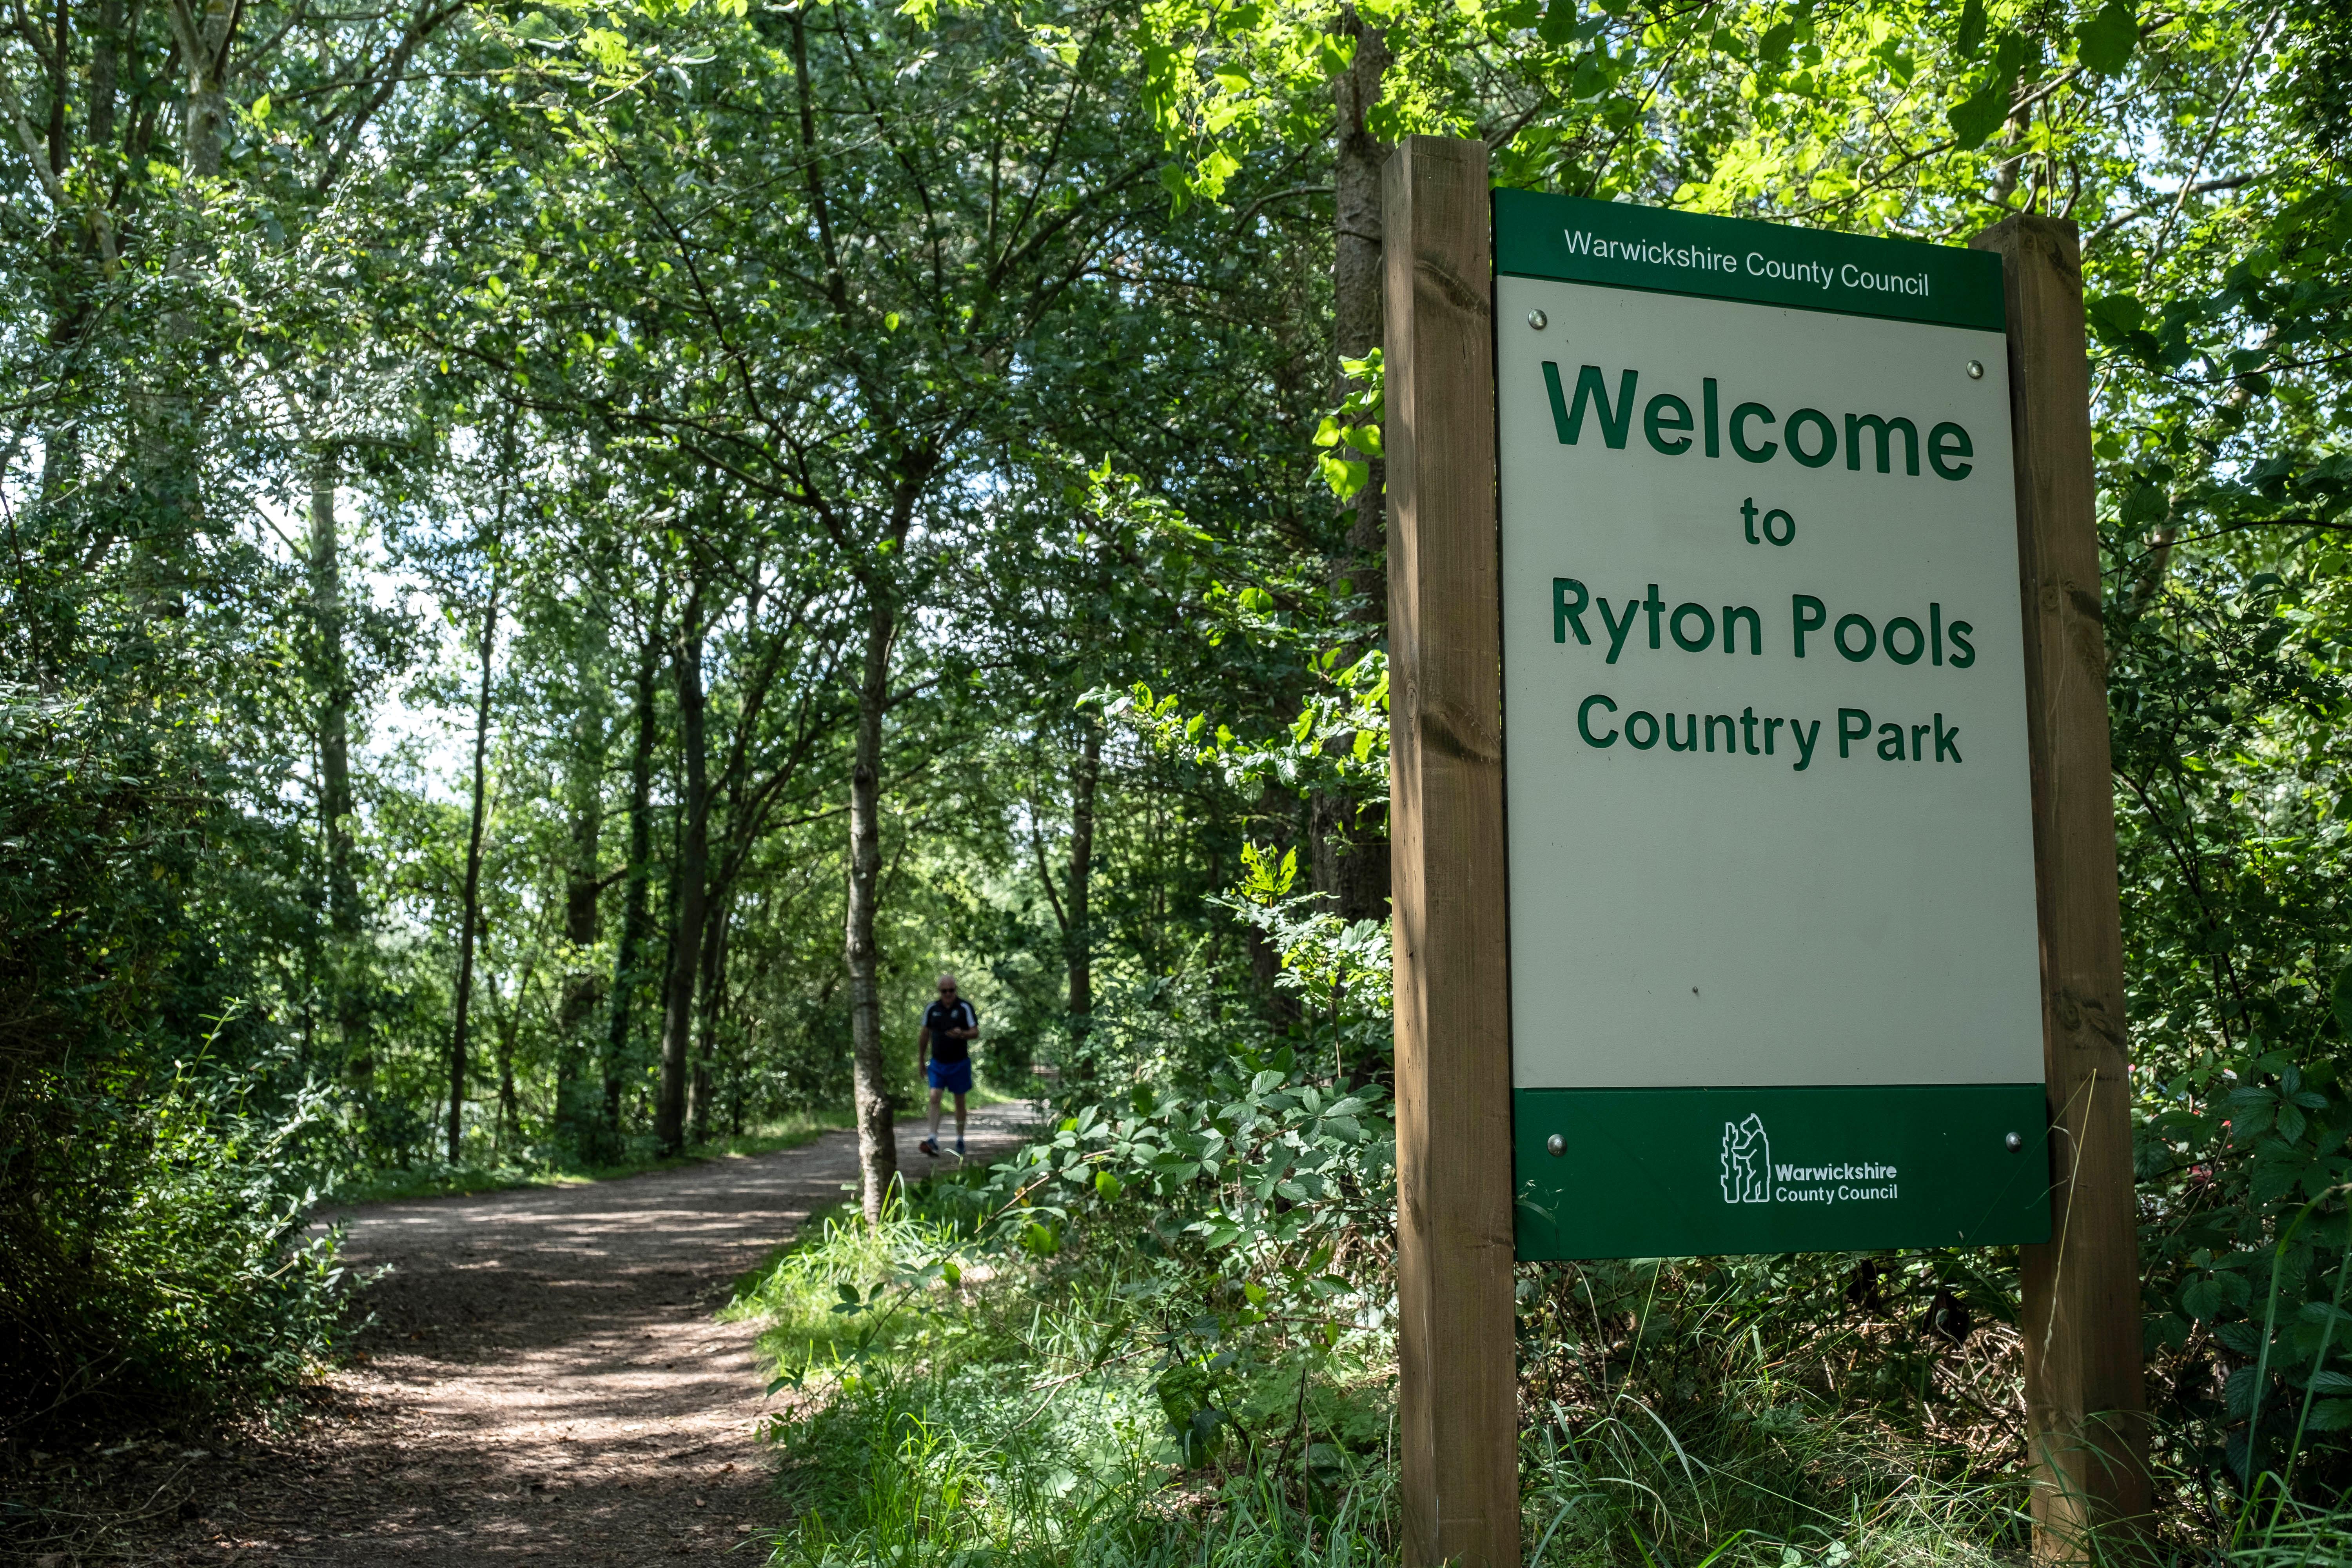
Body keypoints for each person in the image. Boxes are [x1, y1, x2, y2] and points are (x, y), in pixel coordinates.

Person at [917, 973, 978, 1157]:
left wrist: (962, 1034)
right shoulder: (932, 1009)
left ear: (955, 990)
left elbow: (975, 1032)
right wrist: (921, 1060)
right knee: (935, 1097)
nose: (948, 994)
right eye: (944, 991)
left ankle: (960, 1139)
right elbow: (924, 1035)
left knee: (959, 1100)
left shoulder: (965, 1007)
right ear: (940, 991)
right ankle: (933, 1138)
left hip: (960, 1062)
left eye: (951, 990)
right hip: (937, 1063)